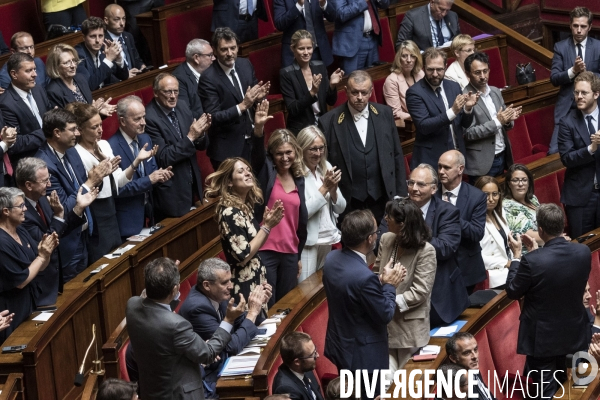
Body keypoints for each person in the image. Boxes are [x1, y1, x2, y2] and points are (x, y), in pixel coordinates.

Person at [126, 257, 244, 400]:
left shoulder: (132, 306)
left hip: (150, 391)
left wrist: (162, 278)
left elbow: (152, 303)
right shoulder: (176, 325)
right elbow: (208, 354)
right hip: (179, 394)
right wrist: (228, 320)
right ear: (175, 289)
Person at [506, 204, 591, 400]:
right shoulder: (583, 252)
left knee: (545, 392)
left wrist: (518, 257)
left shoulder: (533, 261)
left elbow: (512, 291)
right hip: (574, 332)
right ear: (562, 226)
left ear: (540, 230)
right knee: (569, 387)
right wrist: (537, 254)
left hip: (542, 339)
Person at [323, 209, 406, 400]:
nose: (377, 235)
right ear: (369, 239)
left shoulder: (332, 259)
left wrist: (379, 281)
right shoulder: (364, 278)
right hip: (364, 356)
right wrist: (389, 285)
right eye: (376, 232)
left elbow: (354, 293)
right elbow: (385, 313)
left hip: (341, 344)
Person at [69, 102, 156, 264]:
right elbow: (88, 188)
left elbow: (119, 182)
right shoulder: (76, 154)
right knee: (102, 262)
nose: (100, 130)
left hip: (111, 209)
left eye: (100, 125)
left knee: (117, 259)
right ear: (80, 130)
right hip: (96, 211)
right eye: (94, 127)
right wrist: (102, 174)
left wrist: (136, 161)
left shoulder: (104, 145)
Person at [35, 108, 115, 282]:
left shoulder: (71, 151)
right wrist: (91, 182)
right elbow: (62, 208)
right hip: (68, 242)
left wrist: (100, 176)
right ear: (57, 133)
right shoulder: (44, 165)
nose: (78, 133)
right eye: (73, 129)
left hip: (86, 234)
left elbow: (89, 189)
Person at [318, 70, 407, 224]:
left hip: (381, 197)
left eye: (364, 93)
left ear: (371, 91)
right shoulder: (328, 121)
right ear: (345, 91)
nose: (359, 97)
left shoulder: (385, 113)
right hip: (349, 201)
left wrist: (400, 194)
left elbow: (397, 155)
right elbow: (324, 164)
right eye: (355, 92)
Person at [178, 258, 270, 395]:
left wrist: (257, 305)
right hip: (208, 378)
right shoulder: (197, 308)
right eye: (225, 282)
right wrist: (252, 313)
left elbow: (239, 320)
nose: (231, 286)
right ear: (207, 285)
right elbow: (231, 346)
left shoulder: (215, 295)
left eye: (230, 280)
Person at [203, 154, 284, 303]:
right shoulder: (229, 212)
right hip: (243, 287)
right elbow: (243, 255)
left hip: (255, 280)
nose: (248, 173)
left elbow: (255, 244)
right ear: (229, 182)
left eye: (248, 170)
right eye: (241, 171)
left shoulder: (243, 208)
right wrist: (266, 227)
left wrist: (268, 224)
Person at [16, 157, 95, 306]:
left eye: (49, 179)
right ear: (28, 185)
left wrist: (78, 208)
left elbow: (61, 230)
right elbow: (46, 242)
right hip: (40, 288)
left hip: (55, 281)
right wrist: (59, 216)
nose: (49, 184)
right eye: (44, 181)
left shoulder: (43, 200)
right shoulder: (21, 212)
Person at [251, 114, 308, 306]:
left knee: (286, 306)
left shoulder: (299, 178)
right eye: (279, 153)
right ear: (272, 155)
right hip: (266, 249)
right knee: (268, 304)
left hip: (290, 251)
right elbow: (257, 152)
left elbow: (299, 219)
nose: (285, 158)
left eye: (289, 152)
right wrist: (259, 128)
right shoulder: (266, 171)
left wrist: (298, 255)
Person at [404, 164, 469, 328]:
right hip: (406, 292)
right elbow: (384, 240)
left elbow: (446, 247)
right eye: (411, 183)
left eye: (421, 184)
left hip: (441, 295)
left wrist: (410, 237)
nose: (414, 188)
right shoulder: (398, 208)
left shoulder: (447, 211)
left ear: (434, 189)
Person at [375, 197, 435, 372]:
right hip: (384, 326)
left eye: (389, 216)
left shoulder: (426, 251)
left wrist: (387, 300)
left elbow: (420, 291)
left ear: (402, 224)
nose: (385, 219)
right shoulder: (386, 239)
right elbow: (376, 272)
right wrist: (382, 284)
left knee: (405, 384)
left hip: (409, 330)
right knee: (385, 381)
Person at [199, 27, 269, 170]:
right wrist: (242, 106)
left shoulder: (245, 65)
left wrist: (259, 98)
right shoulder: (208, 78)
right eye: (224, 49)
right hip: (228, 149)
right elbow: (213, 117)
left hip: (253, 141)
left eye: (233, 48)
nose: (230, 54)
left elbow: (254, 93)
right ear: (215, 50)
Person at [145, 73, 211, 221]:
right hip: (171, 193)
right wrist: (191, 137)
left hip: (192, 184)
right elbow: (164, 157)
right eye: (168, 92)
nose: (173, 96)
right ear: (156, 92)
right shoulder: (149, 118)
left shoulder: (182, 105)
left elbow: (202, 145)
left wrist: (200, 134)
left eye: (176, 91)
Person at [108, 96, 174, 240]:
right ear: (123, 121)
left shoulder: (145, 139)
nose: (143, 123)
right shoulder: (111, 147)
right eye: (137, 119)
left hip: (151, 213)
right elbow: (119, 189)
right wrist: (149, 179)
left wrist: (160, 175)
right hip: (128, 221)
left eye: (144, 117)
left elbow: (152, 170)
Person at [0, 187, 59, 342]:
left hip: (30, 304)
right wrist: (41, 257)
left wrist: (45, 253)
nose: (25, 208)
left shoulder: (21, 231)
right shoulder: (1, 242)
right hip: (11, 313)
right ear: (6, 211)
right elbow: (20, 281)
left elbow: (38, 267)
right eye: (20, 206)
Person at [406, 47, 477, 170]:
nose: (434, 74)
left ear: (445, 66)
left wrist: (467, 109)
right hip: (431, 160)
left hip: (456, 155)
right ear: (423, 68)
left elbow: (463, 124)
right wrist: (452, 111)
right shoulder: (414, 93)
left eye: (439, 69)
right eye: (430, 69)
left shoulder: (453, 86)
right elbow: (424, 126)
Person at [296, 125, 345, 282]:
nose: (318, 153)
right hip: (309, 241)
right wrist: (325, 188)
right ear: (302, 148)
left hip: (327, 236)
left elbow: (341, 207)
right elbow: (303, 212)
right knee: (306, 289)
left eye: (321, 148)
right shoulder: (296, 174)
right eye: (312, 149)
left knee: (321, 286)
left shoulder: (326, 167)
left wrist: (333, 191)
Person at [549, 6, 600, 155]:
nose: (579, 30)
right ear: (570, 25)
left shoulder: (598, 47)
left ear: (589, 27)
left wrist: (587, 75)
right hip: (567, 108)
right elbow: (554, 78)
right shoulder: (560, 47)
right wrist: (573, 71)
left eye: (583, 26)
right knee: (554, 152)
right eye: (576, 26)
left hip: (593, 106)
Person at [463, 51, 520, 181]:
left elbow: (506, 123)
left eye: (485, 71)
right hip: (482, 163)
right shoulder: (465, 97)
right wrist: (497, 122)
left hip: (503, 155)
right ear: (467, 74)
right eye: (477, 73)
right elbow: (468, 133)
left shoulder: (495, 91)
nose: (483, 76)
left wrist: (507, 120)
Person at [558, 71, 600, 238]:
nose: (579, 96)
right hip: (581, 197)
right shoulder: (567, 122)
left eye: (584, 93)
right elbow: (567, 158)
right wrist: (592, 148)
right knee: (583, 245)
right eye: (576, 92)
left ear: (596, 94)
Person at [437, 150, 486, 293]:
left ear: (460, 169)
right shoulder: (432, 193)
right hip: (437, 268)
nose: (441, 171)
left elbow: (477, 233)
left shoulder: (476, 197)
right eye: (439, 167)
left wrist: (451, 214)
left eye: (446, 167)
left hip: (465, 268)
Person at [279, 30, 342, 135]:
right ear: (292, 49)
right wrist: (312, 92)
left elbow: (330, 101)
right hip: (301, 130)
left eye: (309, 48)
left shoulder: (320, 67)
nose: (306, 52)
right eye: (301, 49)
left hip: (322, 125)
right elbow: (293, 109)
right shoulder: (286, 74)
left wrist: (332, 85)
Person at [0, 53, 50, 168]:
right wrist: (47, 131)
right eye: (28, 71)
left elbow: (50, 117)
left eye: (35, 69)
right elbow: (16, 143)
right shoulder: (5, 103)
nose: (35, 75)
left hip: (53, 150)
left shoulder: (39, 90)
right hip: (31, 161)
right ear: (14, 74)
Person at [45, 43, 117, 118]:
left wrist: (100, 111)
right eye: (67, 63)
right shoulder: (53, 91)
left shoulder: (80, 79)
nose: (73, 65)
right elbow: (65, 123)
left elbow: (90, 110)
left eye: (74, 60)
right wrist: (93, 111)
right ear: (56, 67)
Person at [331, 0, 388, 74]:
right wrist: (363, 1)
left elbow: (385, 4)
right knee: (353, 80)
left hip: (373, 39)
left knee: (374, 78)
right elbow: (341, 14)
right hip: (352, 43)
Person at [273, 0, 335, 68]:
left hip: (319, 51)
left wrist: (324, 4)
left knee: (321, 78)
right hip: (295, 54)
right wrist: (298, 6)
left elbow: (333, 17)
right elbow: (280, 24)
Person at [474, 176, 511, 289]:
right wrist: (505, 263)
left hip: (508, 270)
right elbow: (477, 256)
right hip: (493, 275)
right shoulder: (474, 221)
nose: (491, 199)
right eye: (485, 195)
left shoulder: (500, 213)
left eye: (495, 194)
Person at [75, 17, 129, 91]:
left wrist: (118, 59)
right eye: (93, 36)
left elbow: (124, 76)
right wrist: (108, 60)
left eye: (100, 36)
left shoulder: (104, 48)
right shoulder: (77, 55)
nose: (97, 41)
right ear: (84, 37)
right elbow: (89, 86)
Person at [383, 40, 424, 128]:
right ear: (399, 58)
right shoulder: (392, 80)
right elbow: (396, 113)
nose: (409, 60)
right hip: (409, 124)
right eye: (404, 56)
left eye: (412, 56)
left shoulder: (420, 73)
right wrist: (420, 118)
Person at [501, 164, 542, 253]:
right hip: (528, 252)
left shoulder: (532, 198)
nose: (520, 184)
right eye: (515, 180)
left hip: (545, 244)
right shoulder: (507, 205)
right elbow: (527, 235)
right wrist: (555, 238)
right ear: (509, 184)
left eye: (524, 180)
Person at [273, 331, 324, 400]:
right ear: (297, 362)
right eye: (313, 355)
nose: (317, 355)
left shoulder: (304, 367)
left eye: (315, 351)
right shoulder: (285, 389)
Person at [446, 332, 496, 400]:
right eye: (467, 353)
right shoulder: (458, 389)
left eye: (475, 350)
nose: (475, 356)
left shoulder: (472, 369)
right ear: (453, 358)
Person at [172, 39, 214, 119]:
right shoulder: (179, 79)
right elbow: (185, 112)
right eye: (210, 55)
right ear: (196, 58)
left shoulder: (210, 72)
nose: (213, 58)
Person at [395, 0, 460, 51]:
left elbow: (458, 39)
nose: (444, 14)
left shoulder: (453, 16)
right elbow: (401, 45)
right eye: (441, 9)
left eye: (447, 10)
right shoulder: (413, 17)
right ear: (432, 3)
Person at [104, 4, 146, 78]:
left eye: (123, 19)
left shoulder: (128, 36)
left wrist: (142, 67)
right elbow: (108, 71)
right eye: (117, 19)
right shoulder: (103, 41)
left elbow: (136, 59)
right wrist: (125, 75)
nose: (122, 23)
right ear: (106, 20)